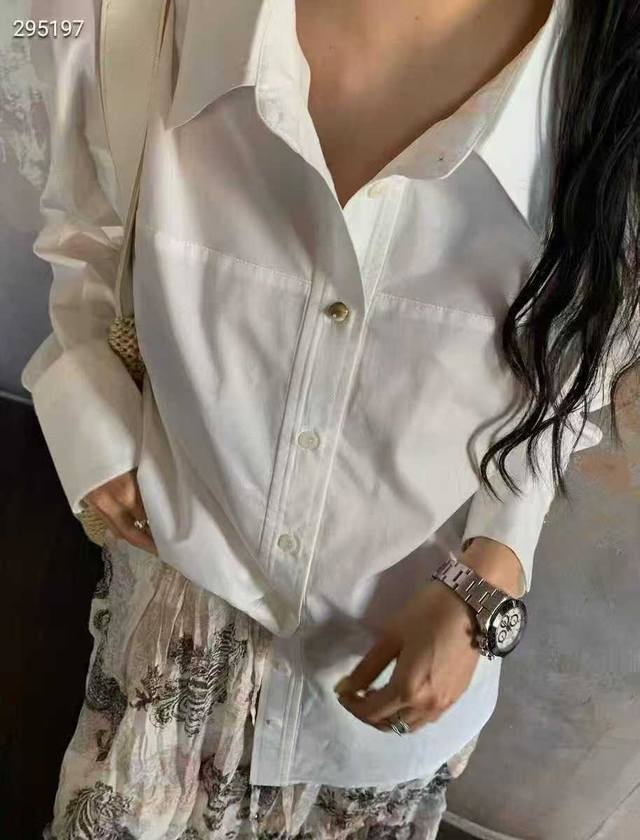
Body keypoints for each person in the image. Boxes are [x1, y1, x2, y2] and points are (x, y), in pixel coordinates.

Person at [22, 0, 639, 837]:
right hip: (168, 625)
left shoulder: (610, 79)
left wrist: (495, 565)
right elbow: (86, 223)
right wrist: (86, 406)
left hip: (394, 662)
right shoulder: (121, 17)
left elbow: (576, 351)